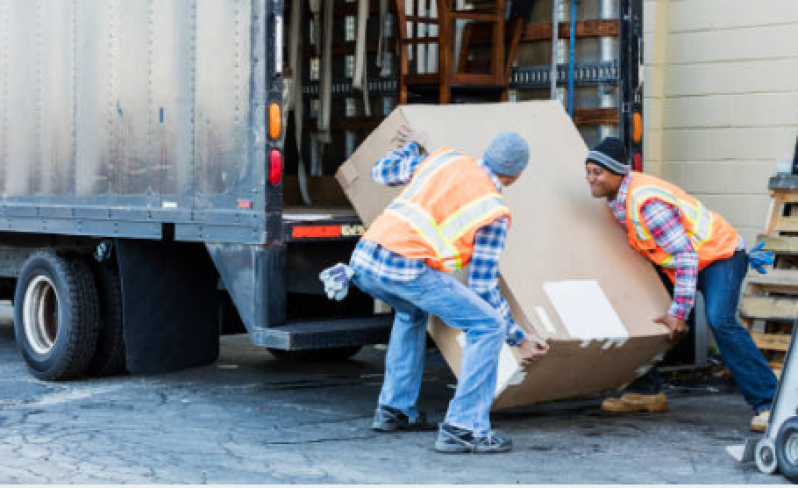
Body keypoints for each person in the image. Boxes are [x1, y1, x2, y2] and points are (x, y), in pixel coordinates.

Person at [322, 126, 549, 454]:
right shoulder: (494, 210)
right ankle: (464, 427)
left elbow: (381, 171)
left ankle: (395, 410)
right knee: (488, 326)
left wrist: (411, 147)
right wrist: (518, 336)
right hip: (406, 269)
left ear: (486, 154)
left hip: (365, 260)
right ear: (516, 175)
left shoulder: (444, 158)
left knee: (410, 311)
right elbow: (483, 288)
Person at [584, 136, 777, 432]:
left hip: (718, 257)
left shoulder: (645, 203)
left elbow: (686, 255)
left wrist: (679, 311)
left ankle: (770, 404)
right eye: (588, 172)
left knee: (720, 320)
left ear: (617, 173)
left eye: (597, 173)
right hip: (683, 264)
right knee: (639, 303)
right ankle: (646, 391)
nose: (590, 179)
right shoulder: (617, 199)